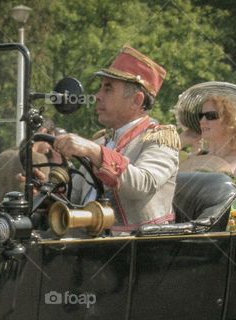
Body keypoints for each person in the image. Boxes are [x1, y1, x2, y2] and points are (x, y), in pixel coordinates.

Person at [51, 45, 179, 234]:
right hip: (90, 247)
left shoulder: (160, 138)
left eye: (108, 89)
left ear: (137, 100)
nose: (97, 96)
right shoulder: (101, 142)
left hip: (138, 251)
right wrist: (51, 184)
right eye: (101, 88)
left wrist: (95, 153)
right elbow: (74, 197)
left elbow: (143, 184)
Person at [175, 81, 236, 180]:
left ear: (231, 121)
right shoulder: (194, 158)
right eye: (201, 116)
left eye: (211, 116)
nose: (202, 121)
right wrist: (180, 142)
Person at [0, 122, 61, 204]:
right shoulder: (39, 158)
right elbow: (43, 197)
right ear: (43, 132)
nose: (50, 148)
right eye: (49, 141)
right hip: (23, 213)